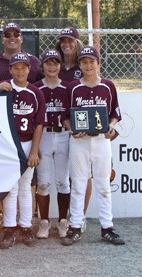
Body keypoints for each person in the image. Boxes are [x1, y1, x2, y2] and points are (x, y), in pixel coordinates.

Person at [60, 46, 125, 246]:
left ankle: (107, 227)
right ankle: (75, 227)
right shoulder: (73, 87)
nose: (88, 65)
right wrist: (72, 130)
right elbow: (64, 116)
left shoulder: (107, 85)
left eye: (91, 61)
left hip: (101, 140)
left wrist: (111, 128)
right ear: (79, 64)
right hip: (79, 140)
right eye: (84, 62)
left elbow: (115, 113)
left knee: (103, 185)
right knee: (78, 184)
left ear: (98, 63)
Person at [0, 53, 46, 249]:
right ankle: (9, 227)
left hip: (26, 143)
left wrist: (34, 150)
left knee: (25, 188)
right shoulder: (5, 88)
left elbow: (39, 123)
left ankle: (25, 226)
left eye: (24, 67)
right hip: (8, 146)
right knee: (10, 188)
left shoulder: (35, 92)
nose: (20, 71)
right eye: (16, 67)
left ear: (29, 69)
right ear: (10, 70)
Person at [55, 27, 91, 233]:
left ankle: (80, 216)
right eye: (63, 41)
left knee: (83, 175)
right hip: (59, 124)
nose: (66, 44)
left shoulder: (84, 63)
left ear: (77, 42)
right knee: (63, 177)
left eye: (70, 41)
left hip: (82, 125)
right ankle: (65, 217)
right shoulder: (54, 65)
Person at [33, 49, 70, 239]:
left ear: (60, 66)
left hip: (63, 135)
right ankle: (44, 222)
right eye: (48, 63)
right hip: (45, 135)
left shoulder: (68, 88)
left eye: (55, 63)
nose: (52, 66)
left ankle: (63, 221)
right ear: (42, 66)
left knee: (63, 180)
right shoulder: (36, 88)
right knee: (44, 182)